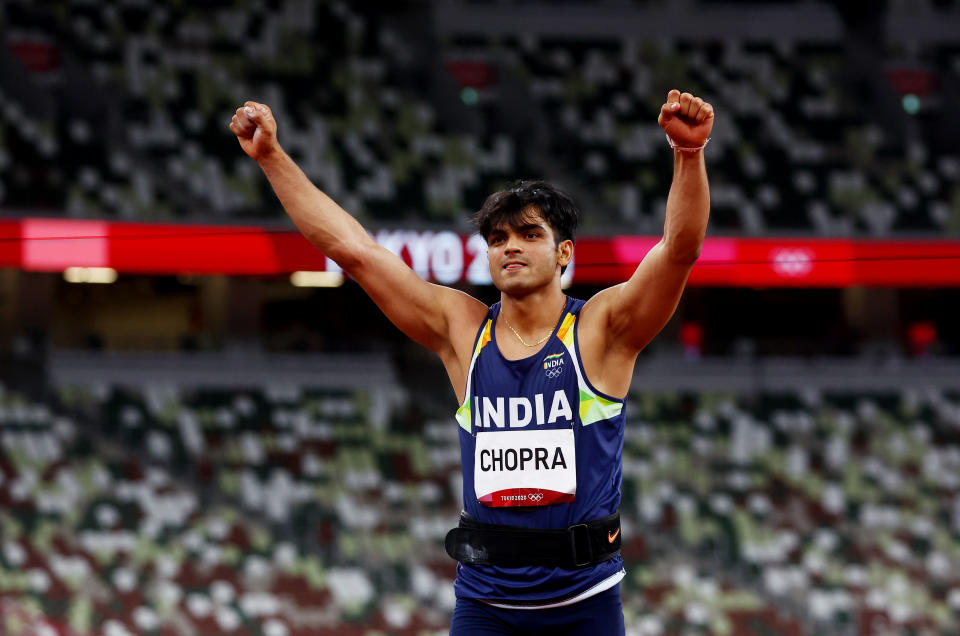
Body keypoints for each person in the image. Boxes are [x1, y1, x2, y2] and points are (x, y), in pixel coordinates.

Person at [230, 88, 713, 635]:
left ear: (564, 253)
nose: (510, 247)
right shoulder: (462, 331)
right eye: (498, 237)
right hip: (486, 608)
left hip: (585, 606)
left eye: (530, 234)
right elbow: (355, 252)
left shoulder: (601, 330)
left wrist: (688, 156)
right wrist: (271, 157)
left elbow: (679, 249)